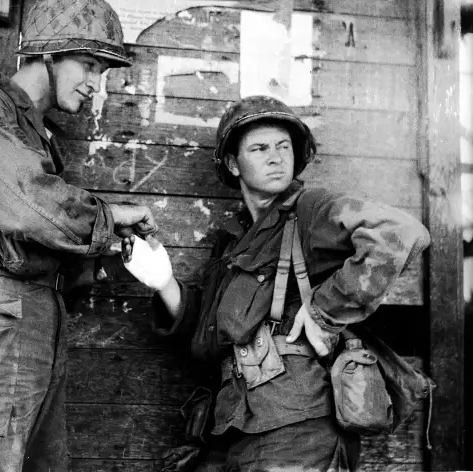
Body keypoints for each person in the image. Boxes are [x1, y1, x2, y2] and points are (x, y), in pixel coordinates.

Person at [0, 0, 157, 472]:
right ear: (48, 51)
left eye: (103, 71)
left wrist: (107, 246)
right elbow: (31, 206)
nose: (96, 83)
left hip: (36, 316)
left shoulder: (36, 133)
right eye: (89, 64)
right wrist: (108, 217)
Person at [122, 95, 430, 472]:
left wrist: (324, 312)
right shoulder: (233, 243)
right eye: (260, 148)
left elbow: (399, 233)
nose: (276, 156)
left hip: (298, 425)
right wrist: (164, 281)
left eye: (284, 146)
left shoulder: (309, 209)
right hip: (233, 427)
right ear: (234, 164)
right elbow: (208, 336)